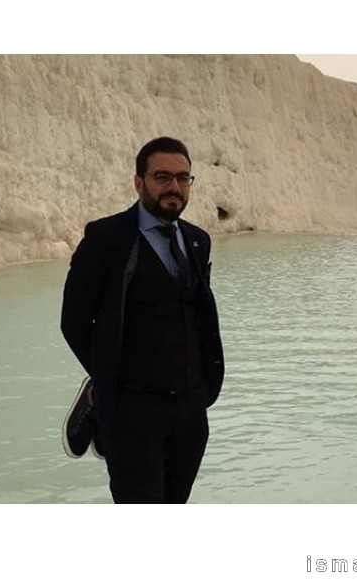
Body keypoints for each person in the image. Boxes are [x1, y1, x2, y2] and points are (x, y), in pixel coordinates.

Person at [60, 136, 224, 504]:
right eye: (162, 177)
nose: (174, 187)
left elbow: (196, 314)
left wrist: (202, 391)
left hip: (190, 412)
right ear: (139, 182)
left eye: (183, 178)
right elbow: (74, 321)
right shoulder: (106, 238)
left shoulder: (197, 240)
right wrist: (109, 377)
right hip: (133, 413)